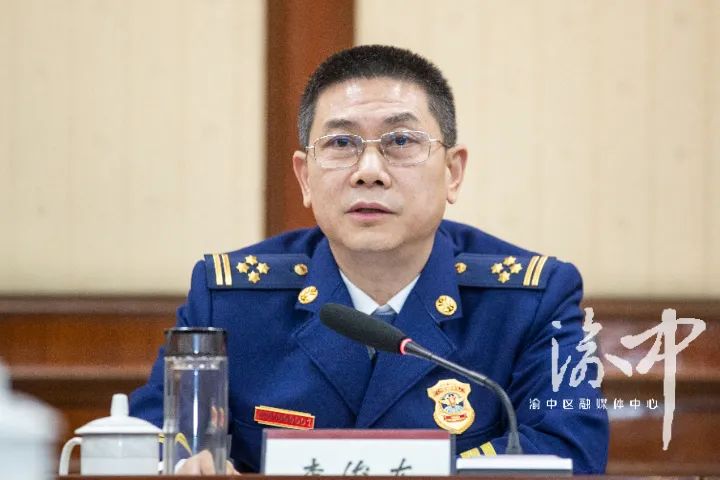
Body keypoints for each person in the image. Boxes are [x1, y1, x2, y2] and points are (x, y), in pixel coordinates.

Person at [130, 45, 609, 474]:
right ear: (305, 178)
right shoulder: (229, 301)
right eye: (341, 144)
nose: (370, 172)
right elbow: (151, 440)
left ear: (453, 172)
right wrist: (185, 466)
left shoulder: (531, 301)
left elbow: (569, 452)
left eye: (401, 142)